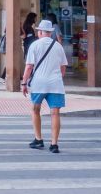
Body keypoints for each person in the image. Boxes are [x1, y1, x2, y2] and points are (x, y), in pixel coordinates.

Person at [21, 19, 68, 154]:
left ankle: (38, 139)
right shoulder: (58, 46)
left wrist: (24, 83)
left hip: (39, 83)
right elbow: (63, 67)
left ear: (40, 32)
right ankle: (54, 144)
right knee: (55, 113)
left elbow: (29, 66)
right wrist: (58, 77)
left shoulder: (34, 45)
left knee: (35, 110)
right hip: (56, 84)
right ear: (51, 32)